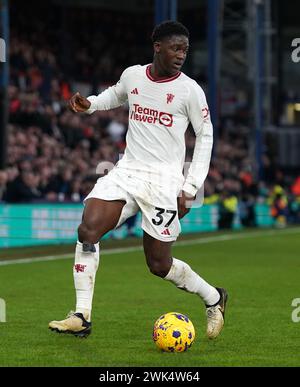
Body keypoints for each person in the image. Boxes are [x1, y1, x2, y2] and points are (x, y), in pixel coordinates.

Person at [49, 21, 228, 339]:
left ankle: (214, 297)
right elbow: (114, 96)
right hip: (127, 171)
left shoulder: (190, 91)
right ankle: (82, 314)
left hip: (164, 182)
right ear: (158, 47)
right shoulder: (133, 75)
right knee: (88, 228)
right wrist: (90, 104)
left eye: (185, 50)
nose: (181, 55)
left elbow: (206, 137)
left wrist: (190, 187)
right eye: (176, 48)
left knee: (159, 264)